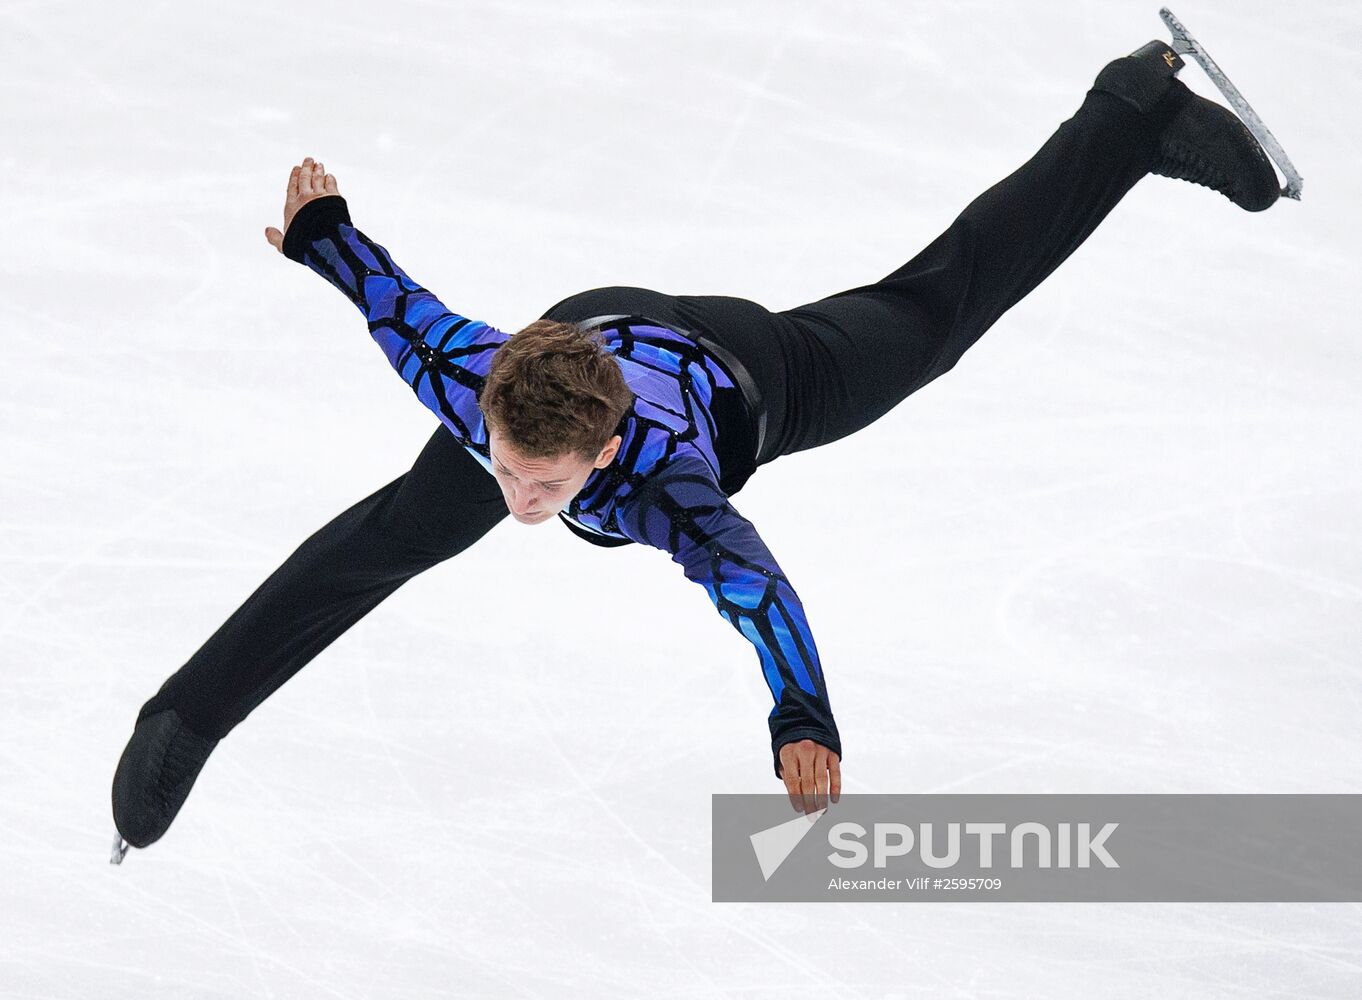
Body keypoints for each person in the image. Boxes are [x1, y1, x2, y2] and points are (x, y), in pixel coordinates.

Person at [111, 39, 1283, 852]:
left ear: (602, 453)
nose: (521, 495)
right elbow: (396, 304)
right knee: (398, 529)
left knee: (933, 320)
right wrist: (324, 234)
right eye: (512, 468)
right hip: (589, 325)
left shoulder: (669, 489)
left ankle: (1131, 118)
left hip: (754, 370)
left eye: (544, 482)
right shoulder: (480, 390)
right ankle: (186, 714)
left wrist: (801, 720)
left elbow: (759, 592)